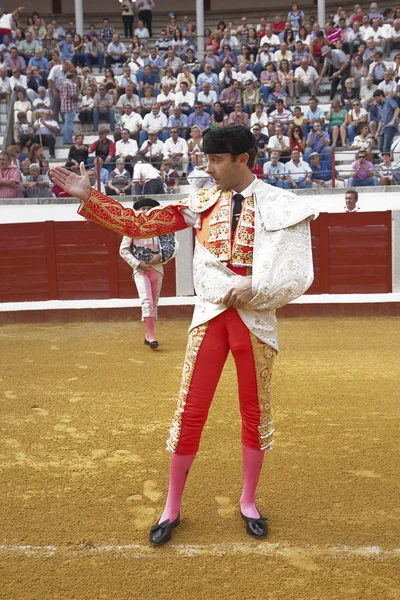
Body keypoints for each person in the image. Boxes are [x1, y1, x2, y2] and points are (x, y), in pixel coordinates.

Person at [51, 125, 317, 545]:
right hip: (211, 316)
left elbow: (298, 270)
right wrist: (91, 197)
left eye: (215, 161)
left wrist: (257, 286)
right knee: (190, 411)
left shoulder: (282, 204)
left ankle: (248, 502)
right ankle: (172, 505)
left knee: (256, 412)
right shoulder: (199, 203)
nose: (208, 169)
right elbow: (141, 225)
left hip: (256, 319)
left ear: (242, 160)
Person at [119, 197, 177, 349]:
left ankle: (148, 333)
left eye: (148, 208)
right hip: (140, 270)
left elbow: (173, 247)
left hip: (157, 268)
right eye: (142, 208)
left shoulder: (162, 227)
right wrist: (137, 263)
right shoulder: (132, 228)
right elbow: (123, 250)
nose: (145, 211)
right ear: (138, 211)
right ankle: (151, 336)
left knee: (154, 303)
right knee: (147, 301)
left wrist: (161, 256)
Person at [373, 89, 400, 154]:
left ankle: (387, 161)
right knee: (380, 147)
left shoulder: (389, 100)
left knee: (386, 147)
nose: (375, 100)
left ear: (381, 95)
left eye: (376, 98)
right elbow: (380, 121)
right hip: (383, 128)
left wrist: (393, 121)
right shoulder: (380, 107)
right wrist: (377, 132)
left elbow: (397, 109)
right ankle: (385, 160)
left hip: (390, 127)